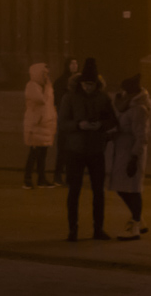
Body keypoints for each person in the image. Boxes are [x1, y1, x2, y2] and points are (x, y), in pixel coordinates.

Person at [56, 58, 117, 241]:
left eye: (91, 84)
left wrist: (100, 125)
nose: (88, 87)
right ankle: (72, 229)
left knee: (98, 191)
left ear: (96, 84)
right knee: (74, 191)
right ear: (80, 83)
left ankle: (98, 228)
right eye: (85, 84)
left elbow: (112, 120)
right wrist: (79, 125)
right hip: (75, 150)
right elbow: (63, 123)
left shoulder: (103, 98)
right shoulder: (70, 97)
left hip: (96, 150)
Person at [107, 74, 151, 239]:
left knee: (133, 189)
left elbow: (141, 136)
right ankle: (139, 220)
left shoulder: (139, 109)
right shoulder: (127, 106)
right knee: (121, 187)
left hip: (132, 152)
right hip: (122, 150)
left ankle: (135, 226)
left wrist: (134, 157)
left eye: (123, 90)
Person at [22, 62, 56, 188]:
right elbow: (42, 100)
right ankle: (28, 178)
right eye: (44, 74)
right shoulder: (32, 86)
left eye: (47, 74)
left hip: (44, 126)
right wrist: (48, 87)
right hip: (35, 126)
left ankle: (41, 178)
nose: (47, 76)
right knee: (33, 154)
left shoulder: (45, 87)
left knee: (42, 155)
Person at [50, 56, 79, 185]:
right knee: (62, 149)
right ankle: (58, 175)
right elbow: (58, 100)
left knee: (73, 150)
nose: (74, 65)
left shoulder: (80, 81)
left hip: (75, 120)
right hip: (65, 120)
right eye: (71, 63)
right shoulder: (61, 81)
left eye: (76, 63)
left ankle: (70, 176)